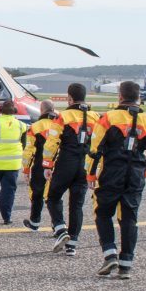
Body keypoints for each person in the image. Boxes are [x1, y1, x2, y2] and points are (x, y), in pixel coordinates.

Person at [87, 81, 146, 279]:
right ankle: (126, 265)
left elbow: (94, 149)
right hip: (135, 174)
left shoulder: (109, 118)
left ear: (120, 96)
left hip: (111, 173)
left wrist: (91, 174)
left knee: (102, 213)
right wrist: (145, 172)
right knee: (129, 218)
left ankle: (110, 253)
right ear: (138, 97)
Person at [42, 83, 99, 256]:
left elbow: (52, 142)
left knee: (52, 197)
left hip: (66, 162)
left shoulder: (63, 116)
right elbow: (99, 144)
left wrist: (47, 164)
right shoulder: (96, 116)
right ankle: (72, 245)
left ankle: (61, 230)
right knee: (77, 205)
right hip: (85, 165)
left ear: (69, 98)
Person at [22, 100, 58, 231]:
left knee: (37, 193)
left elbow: (29, 151)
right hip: (58, 164)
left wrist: (26, 169)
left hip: (39, 165)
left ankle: (35, 222)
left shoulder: (35, 127)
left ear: (41, 111)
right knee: (54, 195)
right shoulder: (60, 124)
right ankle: (57, 224)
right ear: (53, 109)